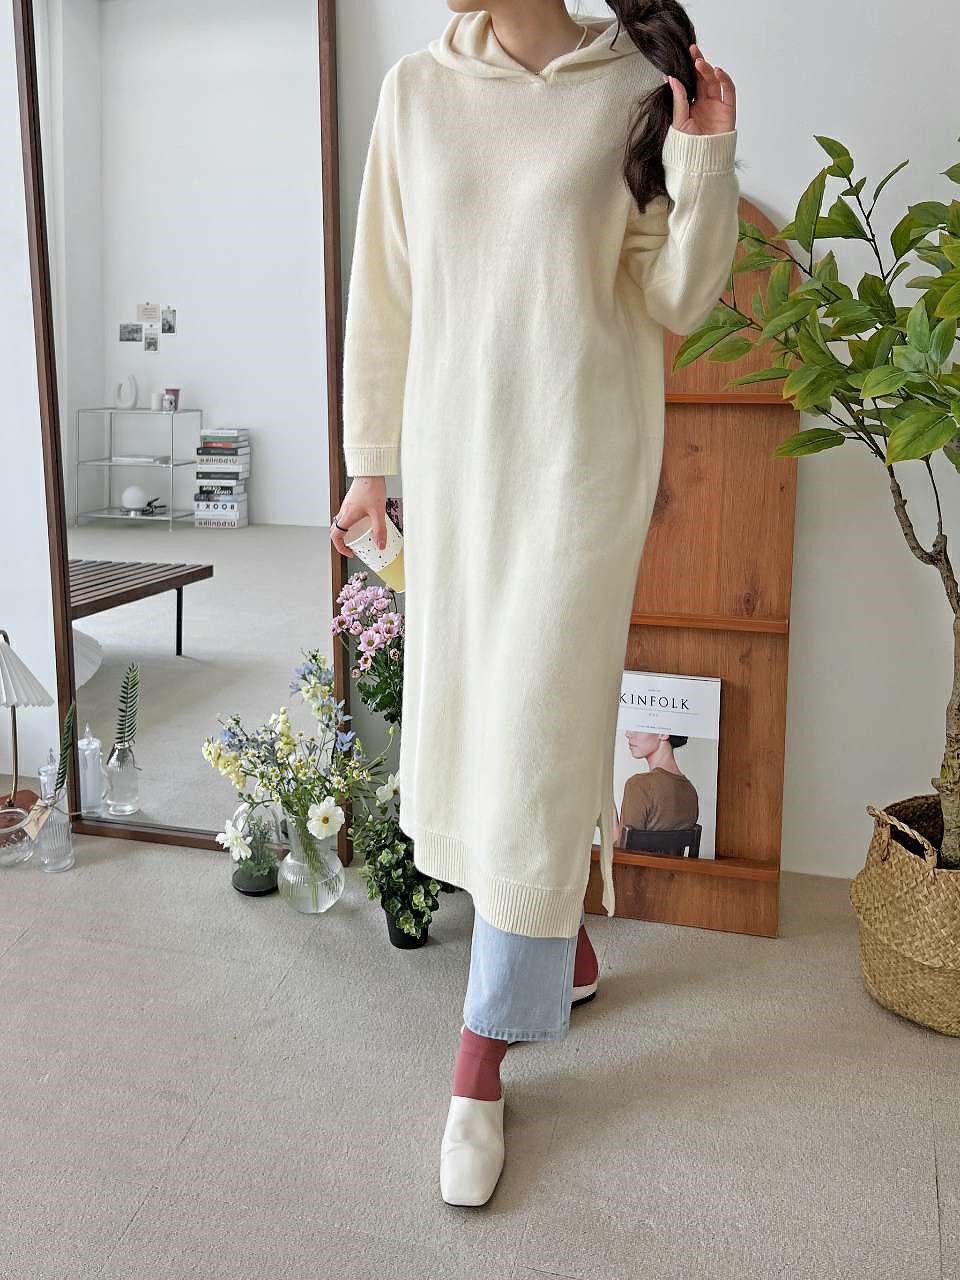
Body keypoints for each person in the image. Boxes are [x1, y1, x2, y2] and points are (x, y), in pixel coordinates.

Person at [331, 0, 739, 1206]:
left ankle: (479, 1062)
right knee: (479, 733)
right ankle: (565, 946)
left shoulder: (629, 88)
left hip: (579, 472)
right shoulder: (417, 92)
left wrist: (706, 150)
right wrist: (369, 464)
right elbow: (384, 289)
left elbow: (680, 297)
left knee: (535, 737)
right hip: (460, 473)